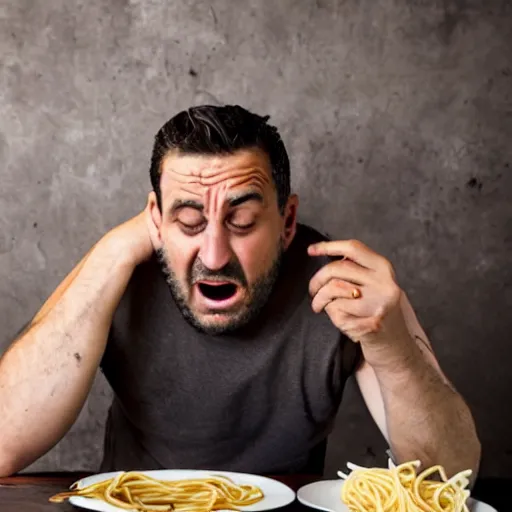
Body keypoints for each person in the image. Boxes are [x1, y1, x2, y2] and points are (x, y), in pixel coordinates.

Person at [0, 105, 480, 478]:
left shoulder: (343, 287)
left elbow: (451, 475)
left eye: (243, 221)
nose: (213, 254)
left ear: (286, 221)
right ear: (155, 217)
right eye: (188, 222)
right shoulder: (118, 270)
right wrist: (112, 254)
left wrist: (392, 347)